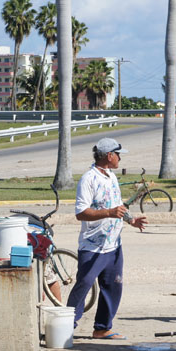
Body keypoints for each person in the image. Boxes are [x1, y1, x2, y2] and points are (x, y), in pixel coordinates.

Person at [66, 137, 148, 340]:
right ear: (109, 156)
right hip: (92, 247)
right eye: (118, 154)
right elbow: (81, 213)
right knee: (84, 284)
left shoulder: (111, 176)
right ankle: (65, 327)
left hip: (113, 244)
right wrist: (109, 213)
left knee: (113, 286)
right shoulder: (88, 179)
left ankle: (102, 328)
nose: (120, 158)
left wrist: (131, 220)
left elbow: (117, 204)